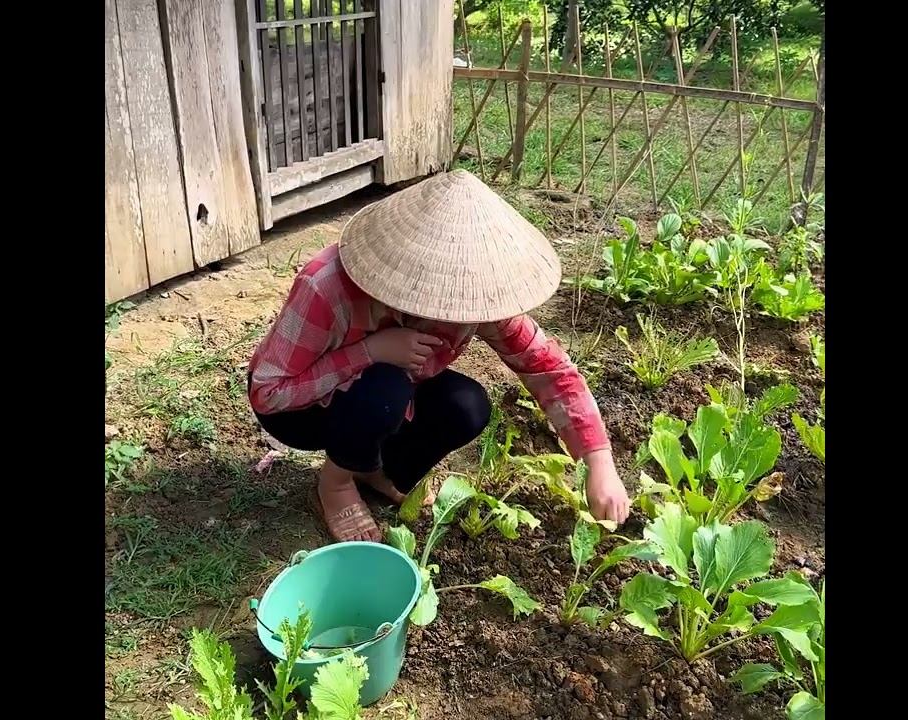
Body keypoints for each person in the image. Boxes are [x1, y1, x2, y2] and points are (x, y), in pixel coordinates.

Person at [247, 170, 629, 543]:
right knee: (386, 389)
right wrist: (369, 351)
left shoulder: (480, 298)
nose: (452, 316)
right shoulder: (326, 286)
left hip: (383, 395)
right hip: (301, 412)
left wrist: (599, 462)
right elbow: (269, 393)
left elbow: (549, 370)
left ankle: (372, 469)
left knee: (467, 405)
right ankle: (334, 484)